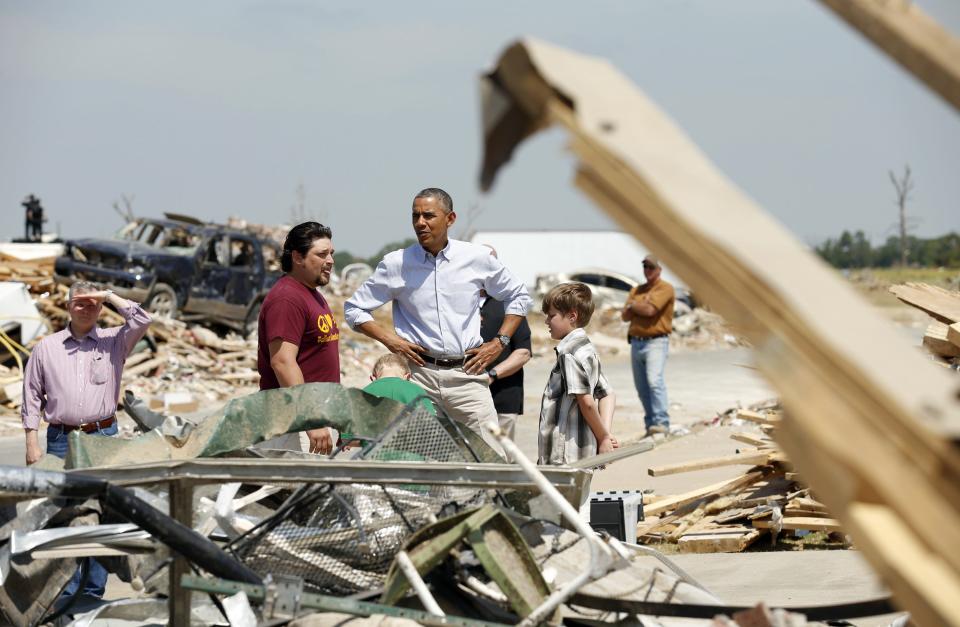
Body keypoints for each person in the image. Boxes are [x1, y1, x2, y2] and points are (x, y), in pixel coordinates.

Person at [344, 188, 531, 457]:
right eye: (415, 216)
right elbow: (354, 309)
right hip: (419, 378)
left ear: (450, 218)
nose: (420, 222)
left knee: (492, 459)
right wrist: (390, 340)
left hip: (467, 375)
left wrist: (499, 342)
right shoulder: (397, 263)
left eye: (429, 215)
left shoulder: (476, 258)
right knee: (417, 459)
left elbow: (518, 296)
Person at [21, 280, 152, 602]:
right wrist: (31, 442)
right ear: (67, 306)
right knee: (64, 515)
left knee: (102, 515)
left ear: (100, 307)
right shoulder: (47, 348)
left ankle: (91, 593)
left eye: (92, 303)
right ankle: (64, 592)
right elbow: (32, 395)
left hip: (103, 437)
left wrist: (107, 295)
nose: (86, 307)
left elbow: (142, 319)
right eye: (79, 302)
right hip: (61, 440)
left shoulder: (113, 342)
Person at [256, 221, 339, 454]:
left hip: (315, 420)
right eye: (321, 254)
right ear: (298, 257)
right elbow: (282, 362)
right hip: (295, 423)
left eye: (331, 253)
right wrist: (311, 419)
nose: (330, 261)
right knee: (287, 491)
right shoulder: (287, 299)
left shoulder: (311, 295)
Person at [538, 282, 617, 466]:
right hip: (583, 454)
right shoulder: (587, 348)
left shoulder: (569, 353)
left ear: (572, 316)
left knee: (560, 496)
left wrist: (604, 437)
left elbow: (587, 403)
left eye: (551, 316)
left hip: (563, 456)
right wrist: (605, 432)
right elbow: (607, 394)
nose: (546, 321)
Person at [479, 246, 532, 441]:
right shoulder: (458, 301)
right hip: (465, 398)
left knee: (502, 455)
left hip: (503, 396)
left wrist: (492, 375)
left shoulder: (509, 302)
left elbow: (523, 352)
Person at [621, 254, 675, 436]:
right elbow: (625, 315)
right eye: (645, 267)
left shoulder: (665, 288)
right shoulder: (637, 290)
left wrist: (634, 306)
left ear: (659, 269)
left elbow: (651, 310)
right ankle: (651, 424)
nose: (647, 271)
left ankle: (662, 423)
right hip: (636, 342)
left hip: (656, 342)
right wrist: (638, 305)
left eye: (651, 267)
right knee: (642, 387)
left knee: (654, 382)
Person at [363, 354, 436, 415]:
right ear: (407, 377)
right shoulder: (417, 390)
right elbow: (431, 420)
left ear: (373, 378)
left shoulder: (364, 393)